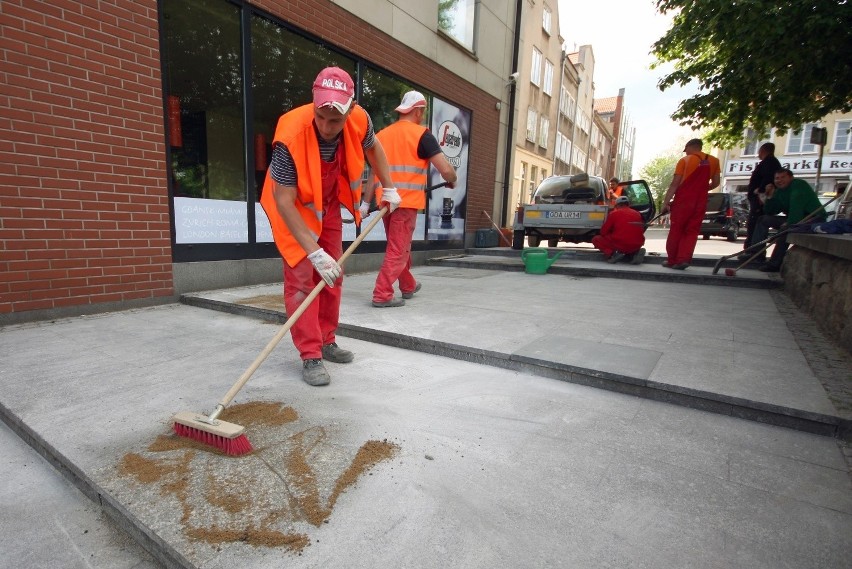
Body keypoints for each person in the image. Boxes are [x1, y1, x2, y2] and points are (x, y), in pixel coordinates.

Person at [260, 66, 400, 386]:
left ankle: (327, 339)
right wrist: (313, 253)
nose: (325, 126)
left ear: (350, 109)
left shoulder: (360, 120)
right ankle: (310, 355)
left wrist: (388, 187)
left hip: (329, 203)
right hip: (292, 208)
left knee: (332, 274)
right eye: (320, 116)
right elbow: (283, 200)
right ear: (314, 102)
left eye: (334, 120)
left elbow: (374, 147)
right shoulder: (290, 134)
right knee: (302, 281)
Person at [369, 91, 457, 307]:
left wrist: (365, 202)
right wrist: (452, 179)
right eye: (422, 111)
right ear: (418, 111)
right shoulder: (422, 135)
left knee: (399, 246)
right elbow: (445, 169)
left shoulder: (382, 135)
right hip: (406, 203)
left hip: (387, 202)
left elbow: (373, 174)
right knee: (398, 250)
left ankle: (408, 285)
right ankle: (382, 294)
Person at [660, 138, 721, 269]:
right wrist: (703, 189)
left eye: (686, 150)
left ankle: (672, 260)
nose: (685, 152)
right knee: (691, 231)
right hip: (700, 201)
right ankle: (683, 260)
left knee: (677, 230)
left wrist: (665, 202)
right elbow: (716, 183)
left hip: (683, 201)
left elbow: (675, 183)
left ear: (689, 147)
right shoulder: (715, 161)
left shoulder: (685, 161)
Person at [751, 168, 826, 272]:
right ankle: (756, 254)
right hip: (796, 218)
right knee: (763, 219)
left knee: (785, 230)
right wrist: (770, 196)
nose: (779, 180)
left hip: (813, 219)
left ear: (791, 178)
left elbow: (797, 206)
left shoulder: (799, 185)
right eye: (777, 178)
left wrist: (790, 223)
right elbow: (770, 211)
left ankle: (775, 263)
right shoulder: (780, 192)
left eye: (783, 177)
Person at [742, 142, 782, 251]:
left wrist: (760, 191)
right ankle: (752, 249)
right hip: (758, 198)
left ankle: (752, 250)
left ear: (762, 151)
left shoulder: (769, 162)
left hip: (759, 199)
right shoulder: (770, 162)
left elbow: (768, 178)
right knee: (753, 223)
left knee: (754, 223)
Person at [592, 195, 646, 264]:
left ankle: (613, 254)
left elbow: (603, 232)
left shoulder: (614, 214)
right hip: (637, 244)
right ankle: (634, 253)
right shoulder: (637, 214)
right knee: (629, 242)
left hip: (621, 244)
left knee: (596, 239)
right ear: (628, 204)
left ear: (617, 205)